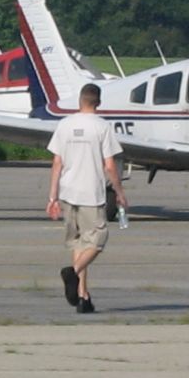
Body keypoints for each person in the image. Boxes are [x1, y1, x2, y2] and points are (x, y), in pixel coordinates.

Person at [46, 83, 127, 313]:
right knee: (99, 239)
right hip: (91, 192)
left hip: (68, 192)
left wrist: (52, 197)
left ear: (80, 101)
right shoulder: (102, 127)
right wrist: (120, 192)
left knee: (79, 242)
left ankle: (83, 297)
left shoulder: (65, 125)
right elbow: (110, 165)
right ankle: (72, 272)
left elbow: (57, 163)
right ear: (98, 102)